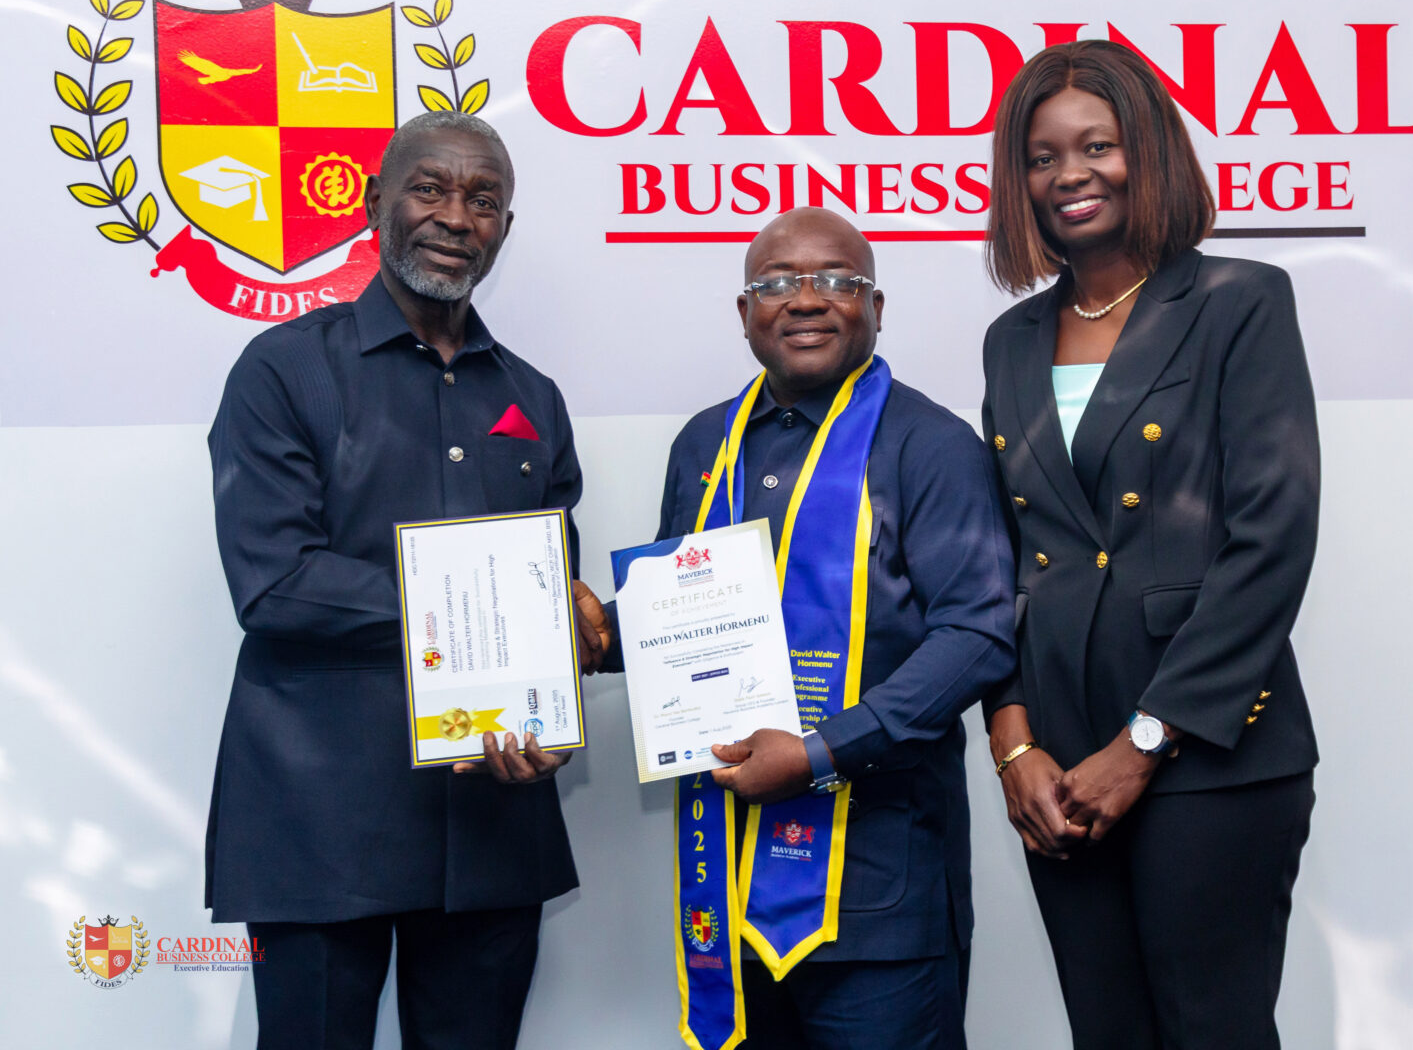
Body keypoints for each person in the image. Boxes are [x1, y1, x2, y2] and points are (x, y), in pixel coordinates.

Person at [205, 111, 608, 1050]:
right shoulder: (283, 371)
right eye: (430, 189)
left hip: (494, 818)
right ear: (375, 201)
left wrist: (555, 693)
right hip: (317, 825)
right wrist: (480, 613)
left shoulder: (533, 396)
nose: (456, 217)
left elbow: (549, 589)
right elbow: (273, 584)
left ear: (505, 228)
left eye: (484, 200)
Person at [600, 207, 1014, 1049]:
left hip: (878, 898)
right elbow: (688, 618)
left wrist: (822, 751)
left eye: (836, 280)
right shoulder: (703, 446)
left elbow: (977, 635)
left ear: (876, 306)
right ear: (745, 312)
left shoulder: (932, 446)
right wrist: (595, 636)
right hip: (724, 886)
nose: (806, 299)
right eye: (777, 284)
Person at [980, 39, 1320, 1050]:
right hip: (1059, 768)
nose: (1069, 174)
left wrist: (1142, 745)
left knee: (1212, 1032)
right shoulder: (1010, 340)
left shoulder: (1238, 300)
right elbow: (1006, 559)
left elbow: (1270, 541)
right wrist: (1014, 745)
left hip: (1209, 750)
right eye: (1042, 157)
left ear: (1151, 151)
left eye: (1098, 145)